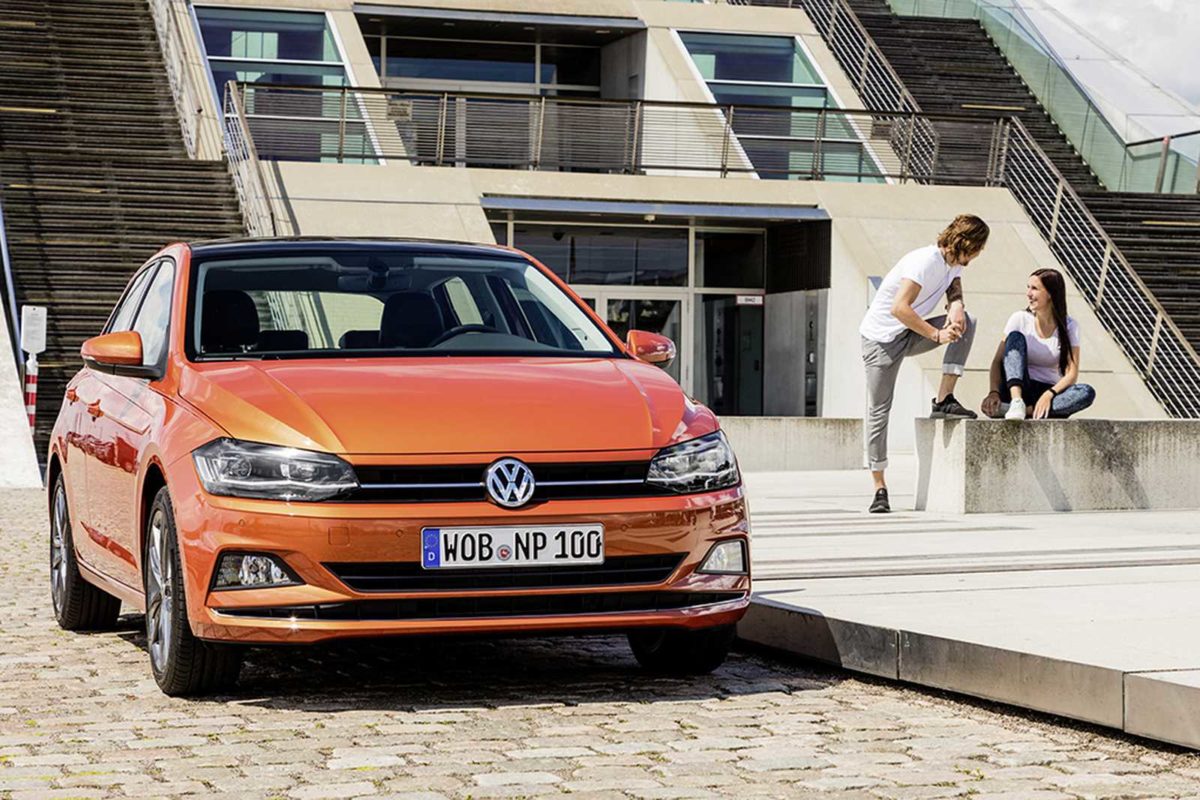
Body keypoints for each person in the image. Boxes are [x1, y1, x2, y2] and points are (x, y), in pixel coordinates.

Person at [860, 214, 990, 514]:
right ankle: (879, 488)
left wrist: (956, 308)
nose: (976, 257)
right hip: (880, 340)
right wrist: (936, 334)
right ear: (966, 243)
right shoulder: (925, 261)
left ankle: (943, 400)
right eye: (977, 250)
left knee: (967, 322)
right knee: (879, 410)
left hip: (908, 333)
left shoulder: (953, 262)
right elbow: (899, 308)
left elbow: (954, 286)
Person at [981, 268, 1096, 421]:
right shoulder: (1019, 318)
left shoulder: (1070, 326)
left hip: (1049, 391)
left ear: (1050, 293)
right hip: (1018, 387)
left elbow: (1072, 374)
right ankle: (1017, 404)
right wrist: (993, 392)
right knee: (1015, 337)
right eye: (1028, 287)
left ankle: (1029, 410)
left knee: (1086, 392)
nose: (1028, 294)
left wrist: (1049, 394)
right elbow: (997, 361)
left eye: (1034, 288)